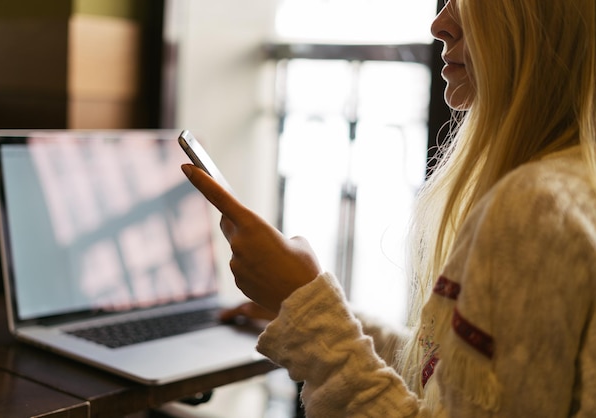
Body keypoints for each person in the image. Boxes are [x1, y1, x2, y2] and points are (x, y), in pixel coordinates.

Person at [182, 0, 596, 416]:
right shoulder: (565, 186)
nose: (440, 23)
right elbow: (444, 376)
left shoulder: (539, 208)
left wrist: (305, 306)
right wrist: (308, 308)